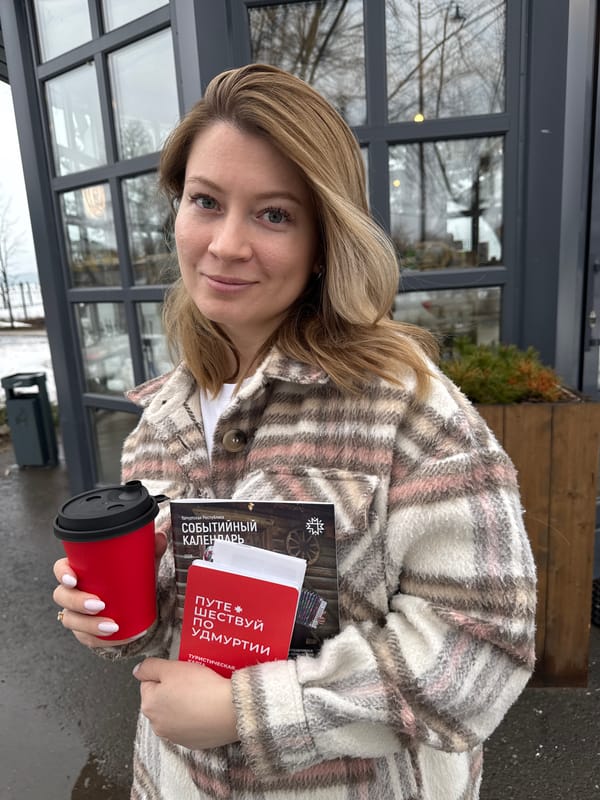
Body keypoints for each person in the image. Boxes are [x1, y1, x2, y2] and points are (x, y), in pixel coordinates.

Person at [53, 63, 536, 799]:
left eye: (273, 214)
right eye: (205, 201)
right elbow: (184, 621)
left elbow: (483, 649)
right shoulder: (163, 418)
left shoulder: (406, 411)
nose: (225, 244)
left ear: (324, 241)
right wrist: (112, 613)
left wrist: (248, 712)